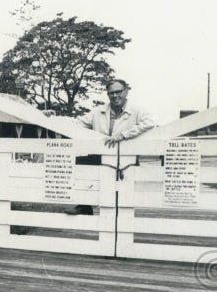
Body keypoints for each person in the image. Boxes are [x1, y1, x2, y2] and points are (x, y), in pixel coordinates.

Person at [45, 79, 156, 215]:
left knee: (122, 197)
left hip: (125, 158)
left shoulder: (137, 110)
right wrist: (54, 118)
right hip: (101, 156)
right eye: (111, 93)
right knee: (82, 161)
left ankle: (122, 218)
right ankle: (84, 206)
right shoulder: (98, 111)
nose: (115, 96)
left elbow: (149, 123)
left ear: (126, 91)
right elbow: (77, 122)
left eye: (118, 92)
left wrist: (123, 135)